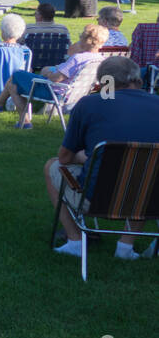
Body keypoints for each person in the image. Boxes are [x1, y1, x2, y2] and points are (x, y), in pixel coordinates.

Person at [45, 56, 159, 260]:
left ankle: (75, 241)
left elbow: (64, 157)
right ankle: (125, 247)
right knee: (146, 172)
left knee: (52, 165)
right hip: (150, 200)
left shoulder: (90, 104)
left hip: (97, 199)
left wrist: (84, 157)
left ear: (103, 82)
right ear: (139, 80)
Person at [0, 23, 107, 127]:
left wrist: (47, 72)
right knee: (13, 85)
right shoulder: (100, 60)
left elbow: (56, 78)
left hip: (54, 91)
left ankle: (4, 108)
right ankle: (13, 115)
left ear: (86, 40)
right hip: (75, 94)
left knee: (17, 76)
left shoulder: (78, 58)